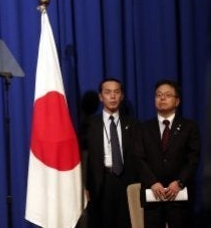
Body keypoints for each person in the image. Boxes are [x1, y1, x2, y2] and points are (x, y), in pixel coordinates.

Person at [135, 79, 200, 228]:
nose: (162, 98)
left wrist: (179, 182)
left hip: (179, 195)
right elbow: (138, 158)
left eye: (167, 95)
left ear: (177, 101)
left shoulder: (189, 127)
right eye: (158, 95)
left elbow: (193, 158)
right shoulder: (143, 128)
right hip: (153, 195)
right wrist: (152, 182)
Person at [85, 78, 138, 228]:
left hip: (126, 182)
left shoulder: (133, 124)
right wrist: (84, 186)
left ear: (122, 96)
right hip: (100, 183)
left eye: (117, 92)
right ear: (100, 97)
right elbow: (84, 158)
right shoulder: (89, 125)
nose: (113, 96)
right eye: (108, 93)